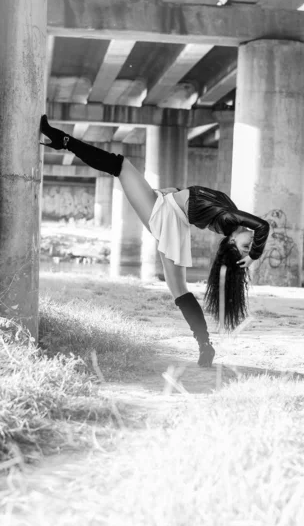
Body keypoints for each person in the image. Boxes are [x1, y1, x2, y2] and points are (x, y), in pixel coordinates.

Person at [40, 115, 270, 368]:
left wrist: (254, 255)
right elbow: (198, 198)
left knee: (120, 165)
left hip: (165, 215)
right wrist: (175, 190)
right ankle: (204, 345)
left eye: (245, 246)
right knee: (178, 289)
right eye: (250, 244)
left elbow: (263, 225)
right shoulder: (229, 214)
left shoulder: (228, 218)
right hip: (172, 214)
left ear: (232, 243)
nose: (251, 240)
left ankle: (62, 140)